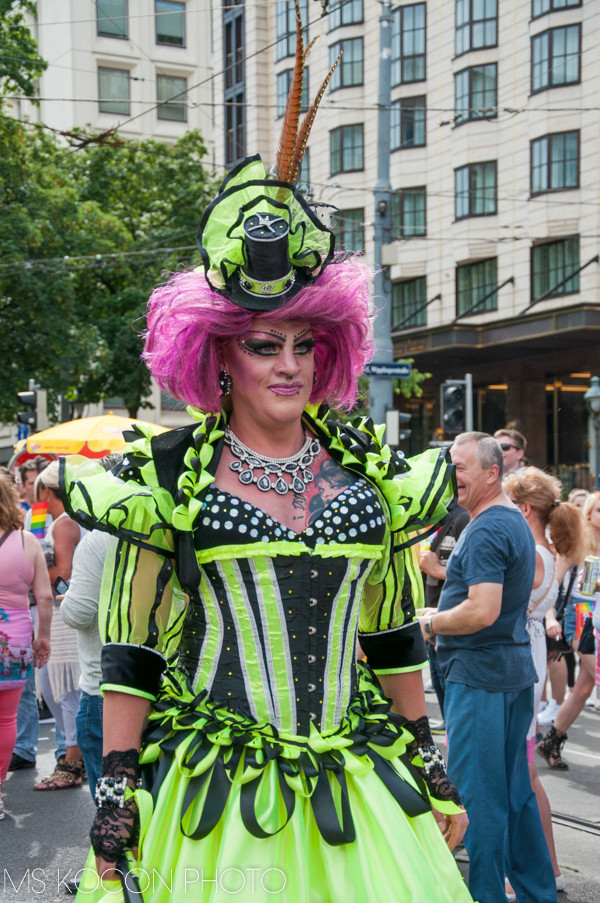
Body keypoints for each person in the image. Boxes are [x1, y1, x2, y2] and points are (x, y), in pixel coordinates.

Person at [60, 53, 472, 901]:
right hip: (212, 802)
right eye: (263, 344)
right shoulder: (170, 481)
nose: (287, 365)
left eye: (302, 344)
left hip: (357, 789)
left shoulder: (371, 481)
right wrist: (115, 788)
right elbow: (130, 651)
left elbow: (391, 636)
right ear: (219, 355)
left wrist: (429, 767)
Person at [419, 431, 557, 903]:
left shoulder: (488, 526)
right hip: (509, 670)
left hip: (481, 676)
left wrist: (433, 622)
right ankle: (537, 892)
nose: (449, 474)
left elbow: (481, 610)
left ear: (492, 473)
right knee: (514, 795)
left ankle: (483, 896)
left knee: (476, 801)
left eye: (459, 467)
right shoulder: (509, 519)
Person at [504, 467, 586, 894]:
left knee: (520, 775)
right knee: (523, 773)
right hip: (528, 657)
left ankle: (529, 872)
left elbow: (496, 609)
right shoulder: (545, 550)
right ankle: (545, 868)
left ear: (524, 508)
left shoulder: (534, 553)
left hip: (521, 662)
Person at [60, 454, 123, 799]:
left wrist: (67, 599)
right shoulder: (160, 531)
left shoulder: (98, 539)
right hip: (157, 682)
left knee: (112, 807)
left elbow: (79, 613)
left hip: (103, 687)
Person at [0, 475, 52, 820]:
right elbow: (45, 597)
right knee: (6, 720)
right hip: (15, 641)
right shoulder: (28, 543)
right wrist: (42, 637)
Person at [32, 462, 86, 791]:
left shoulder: (64, 525)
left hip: (63, 617)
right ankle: (70, 756)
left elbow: (62, 574)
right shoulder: (62, 523)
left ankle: (71, 760)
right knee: (58, 691)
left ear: (49, 492)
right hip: (60, 614)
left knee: (64, 691)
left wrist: (33, 567)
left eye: (41, 497)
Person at [538, 490, 600, 770]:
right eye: (599, 510)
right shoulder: (577, 545)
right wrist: (549, 617)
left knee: (584, 689)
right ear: (588, 514)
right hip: (581, 621)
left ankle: (551, 740)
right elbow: (552, 586)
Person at [10, 454, 59, 773]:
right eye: (27, 483)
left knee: (52, 689)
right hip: (29, 607)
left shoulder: (45, 516)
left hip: (50, 606)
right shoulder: (31, 515)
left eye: (34, 483)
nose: (29, 489)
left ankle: (28, 747)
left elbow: (44, 563)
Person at [419, 505, 469, 726]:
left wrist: (436, 570)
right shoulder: (443, 516)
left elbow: (475, 576)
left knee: (457, 712)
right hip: (434, 621)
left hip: (448, 624)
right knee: (443, 696)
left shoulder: (464, 517)